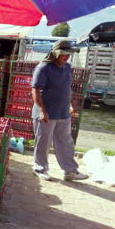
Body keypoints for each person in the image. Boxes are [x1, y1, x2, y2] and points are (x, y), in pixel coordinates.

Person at [32, 40, 89, 181]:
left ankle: (70, 171)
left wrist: (70, 105)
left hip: (63, 113)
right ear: (55, 54)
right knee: (43, 142)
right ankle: (40, 168)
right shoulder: (43, 68)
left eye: (68, 55)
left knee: (66, 142)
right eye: (63, 55)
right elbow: (35, 90)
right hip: (46, 113)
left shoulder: (67, 67)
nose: (66, 58)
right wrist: (41, 110)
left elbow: (67, 88)